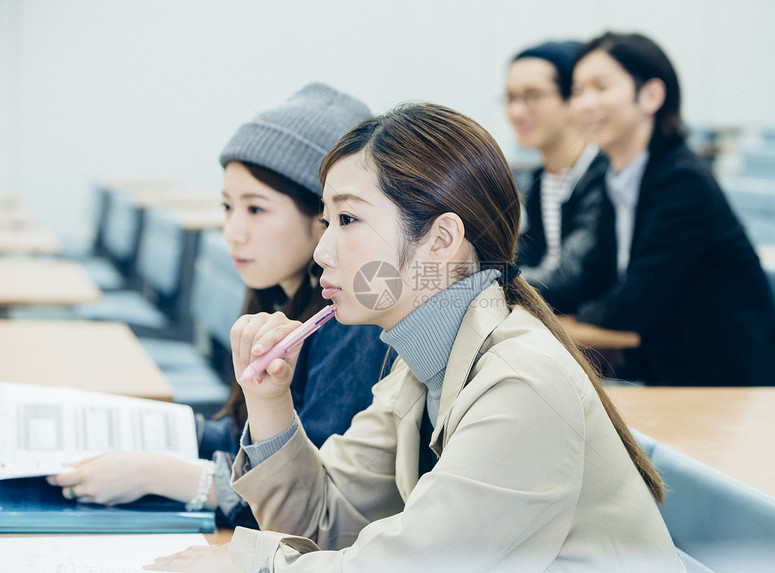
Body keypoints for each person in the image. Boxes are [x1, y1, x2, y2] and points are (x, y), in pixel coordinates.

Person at [146, 102, 684, 573]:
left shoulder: (521, 383)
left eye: (348, 219)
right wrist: (270, 403)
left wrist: (242, 564)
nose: (322, 252)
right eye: (326, 221)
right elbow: (324, 525)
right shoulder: (420, 363)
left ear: (441, 239)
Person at [47, 83, 393, 528]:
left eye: (256, 210)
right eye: (228, 207)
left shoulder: (353, 322)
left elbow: (307, 496)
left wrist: (157, 473)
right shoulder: (283, 298)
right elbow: (246, 435)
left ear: (319, 217)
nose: (232, 231)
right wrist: (150, 428)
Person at [569, 32, 775, 387]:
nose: (585, 103)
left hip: (731, 384)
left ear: (651, 95)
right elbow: (589, 278)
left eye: (600, 87)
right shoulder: (605, 175)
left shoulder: (683, 182)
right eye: (578, 90)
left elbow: (632, 305)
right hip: (667, 373)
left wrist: (585, 309)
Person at [508, 40, 615, 314]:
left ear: (573, 99)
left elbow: (573, 278)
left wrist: (495, 283)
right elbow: (524, 256)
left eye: (532, 96)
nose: (517, 112)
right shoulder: (536, 180)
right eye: (511, 97)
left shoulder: (607, 175)